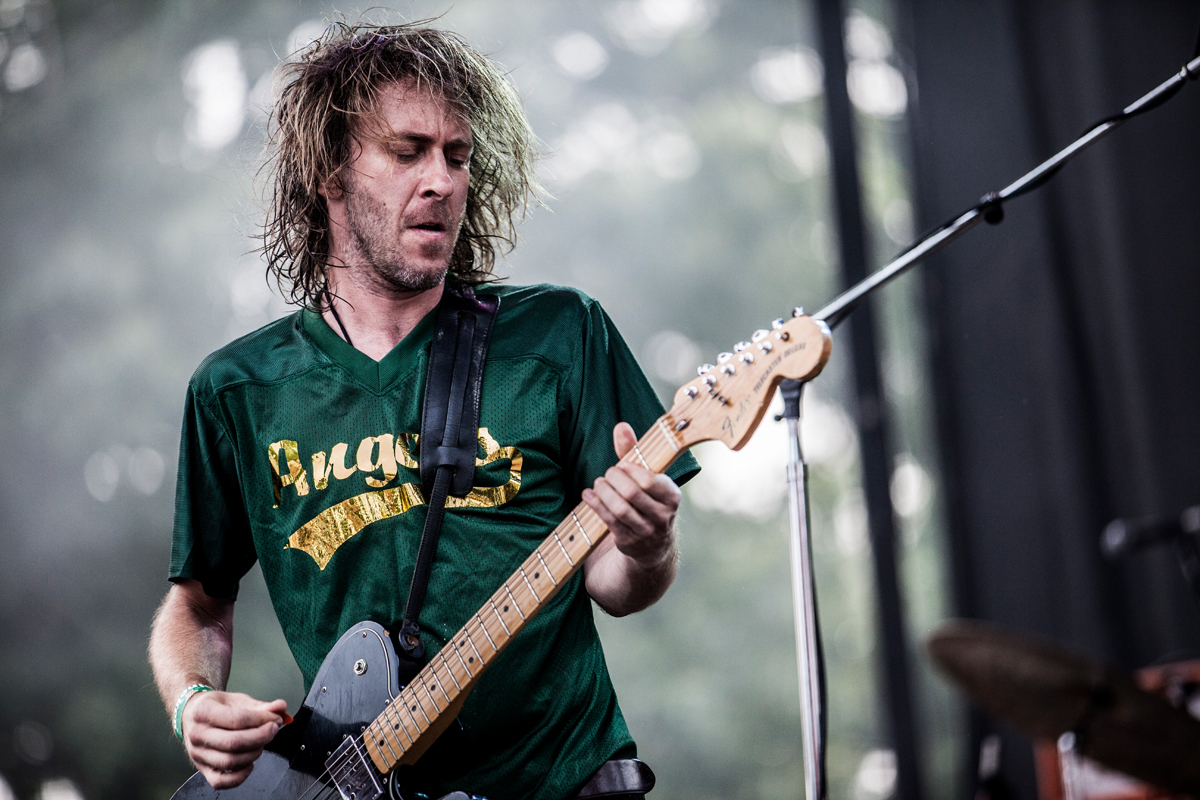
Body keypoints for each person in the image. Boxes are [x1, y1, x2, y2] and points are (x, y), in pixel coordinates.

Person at [147, 21, 699, 800]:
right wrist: (192, 703)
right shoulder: (238, 389)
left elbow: (614, 583)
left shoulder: (559, 335)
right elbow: (198, 604)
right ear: (327, 172)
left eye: (458, 156)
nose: (440, 179)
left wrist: (649, 545)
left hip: (563, 781)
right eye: (407, 153)